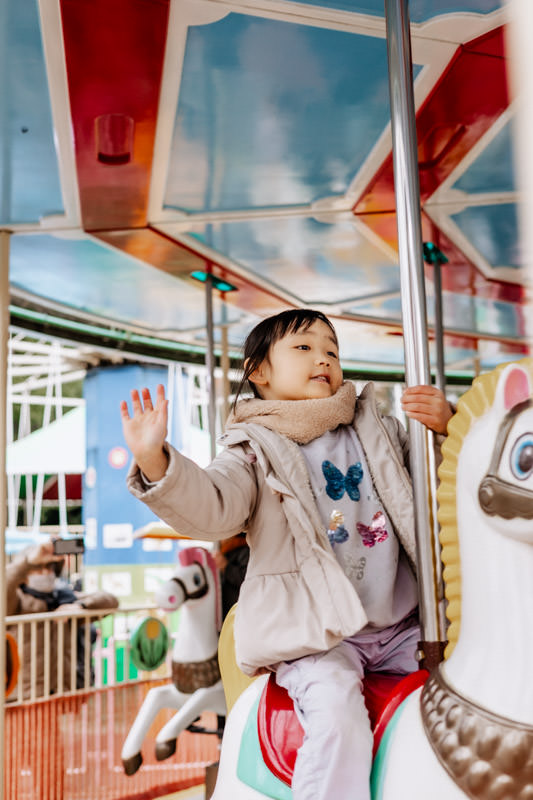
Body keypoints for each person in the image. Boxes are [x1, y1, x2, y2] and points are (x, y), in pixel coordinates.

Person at [121, 308, 453, 800]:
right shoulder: (253, 449)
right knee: (338, 719)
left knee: (465, 699)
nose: (323, 358)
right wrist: (156, 460)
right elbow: (214, 506)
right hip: (316, 636)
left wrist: (445, 429)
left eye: (332, 350)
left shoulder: (376, 429)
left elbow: (436, 485)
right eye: (304, 347)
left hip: (402, 626)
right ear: (260, 372)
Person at [6, 539, 119, 700]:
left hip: (59, 693)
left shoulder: (64, 598)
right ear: (24, 576)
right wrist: (28, 561)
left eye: (49, 568)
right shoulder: (14, 601)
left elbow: (110, 600)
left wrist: (80, 606)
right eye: (37, 570)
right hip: (22, 695)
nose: (45, 573)